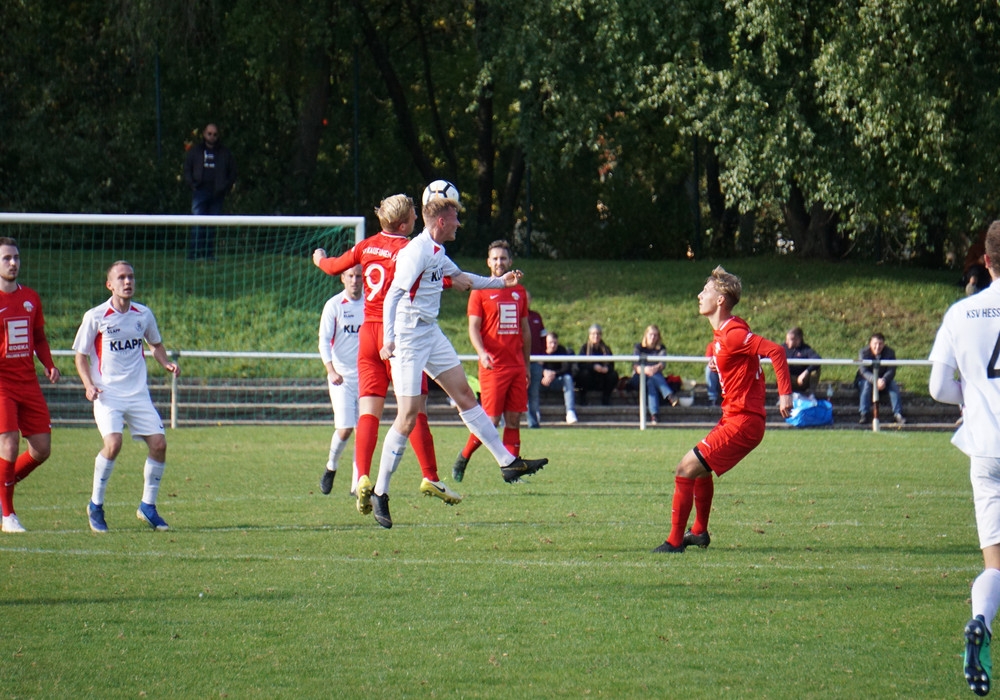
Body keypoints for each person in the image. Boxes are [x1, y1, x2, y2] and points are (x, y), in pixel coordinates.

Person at [375, 187, 547, 528]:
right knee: (407, 417)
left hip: (429, 332)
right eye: (455, 218)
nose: (459, 224)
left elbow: (463, 279)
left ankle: (507, 462)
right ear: (441, 221)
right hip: (407, 338)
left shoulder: (437, 250)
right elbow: (393, 295)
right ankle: (381, 491)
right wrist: (389, 340)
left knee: (466, 395)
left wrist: (500, 283)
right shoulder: (416, 253)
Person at [312, 194, 460, 516]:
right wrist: (455, 281)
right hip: (398, 334)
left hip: (367, 334)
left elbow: (334, 267)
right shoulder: (410, 249)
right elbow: (434, 280)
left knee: (369, 411)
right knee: (414, 408)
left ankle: (362, 476)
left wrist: (319, 259)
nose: (418, 220)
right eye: (414, 216)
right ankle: (430, 475)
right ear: (405, 224)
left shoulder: (366, 246)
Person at [653, 266, 792, 553]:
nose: (699, 295)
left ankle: (674, 542)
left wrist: (785, 395)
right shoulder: (726, 333)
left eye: (705, 291)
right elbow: (740, 357)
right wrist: (721, 363)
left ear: (719, 300)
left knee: (685, 468)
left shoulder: (733, 334)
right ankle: (699, 532)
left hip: (743, 421)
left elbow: (776, 351)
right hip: (734, 418)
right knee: (700, 470)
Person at [928, 219, 1000, 696]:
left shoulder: (962, 312)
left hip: (986, 448)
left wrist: (970, 400)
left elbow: (938, 387)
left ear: (986, 261)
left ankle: (981, 623)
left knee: (995, 564)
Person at [72, 261, 180, 532]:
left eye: (130, 276)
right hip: (107, 394)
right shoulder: (96, 316)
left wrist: (165, 362)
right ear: (109, 285)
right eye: (121, 277)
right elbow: (80, 356)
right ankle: (95, 505)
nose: (127, 281)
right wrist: (88, 385)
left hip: (138, 394)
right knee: (113, 443)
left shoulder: (143, 314)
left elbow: (155, 344)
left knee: (159, 444)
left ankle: (147, 506)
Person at [452, 240, 530, 482]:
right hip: (493, 366)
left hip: (516, 365)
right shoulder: (480, 291)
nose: (499, 262)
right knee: (491, 421)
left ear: (510, 261)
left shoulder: (520, 292)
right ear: (488, 262)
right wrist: (482, 352)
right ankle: (464, 456)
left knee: (514, 419)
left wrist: (526, 364)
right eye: (495, 258)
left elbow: (525, 330)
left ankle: (512, 473)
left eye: (503, 258)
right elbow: (473, 328)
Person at [0, 238, 60, 533]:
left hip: (28, 382)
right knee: (9, 444)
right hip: (2, 384)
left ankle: (2, 488)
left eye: (16, 257)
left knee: (41, 449)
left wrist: (49, 364)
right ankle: (8, 514)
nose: (13, 263)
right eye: (6, 258)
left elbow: (39, 338)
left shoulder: (31, 298)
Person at [317, 264, 364, 496]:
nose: (355, 280)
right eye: (350, 276)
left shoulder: (372, 304)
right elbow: (323, 341)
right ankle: (331, 466)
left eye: (358, 276)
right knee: (345, 429)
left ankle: (357, 485)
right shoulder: (334, 305)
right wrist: (331, 370)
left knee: (363, 432)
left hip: (366, 377)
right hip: (342, 378)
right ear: (342, 278)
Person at [183, 123, 237, 261]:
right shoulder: (195, 151)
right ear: (204, 134)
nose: (212, 136)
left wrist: (225, 187)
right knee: (197, 223)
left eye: (215, 134)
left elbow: (232, 172)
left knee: (211, 226)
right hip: (200, 191)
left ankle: (208, 255)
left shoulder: (224, 153)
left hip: (217, 193)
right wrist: (192, 184)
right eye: (209, 133)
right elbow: (187, 168)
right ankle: (194, 254)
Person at [626, 324, 678, 424]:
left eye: (655, 335)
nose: (653, 337)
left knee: (651, 382)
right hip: (639, 377)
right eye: (651, 335)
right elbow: (636, 366)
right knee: (653, 377)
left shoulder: (661, 348)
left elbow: (662, 364)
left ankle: (654, 415)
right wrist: (646, 370)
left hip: (653, 376)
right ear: (646, 335)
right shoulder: (638, 347)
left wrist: (653, 369)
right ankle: (669, 395)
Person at [855, 332, 905, 425]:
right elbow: (863, 371)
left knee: (893, 385)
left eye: (880, 344)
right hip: (866, 380)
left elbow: (891, 370)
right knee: (866, 385)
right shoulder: (863, 352)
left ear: (884, 344)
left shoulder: (890, 353)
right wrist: (876, 380)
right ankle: (864, 413)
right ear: (870, 343)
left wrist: (884, 380)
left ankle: (898, 414)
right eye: (875, 344)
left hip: (883, 381)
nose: (877, 347)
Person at [576, 324, 618, 406]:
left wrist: (606, 368)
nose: (596, 336)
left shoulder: (606, 348)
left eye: (598, 334)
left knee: (613, 375)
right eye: (593, 334)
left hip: (602, 378)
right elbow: (580, 364)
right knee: (584, 374)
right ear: (589, 335)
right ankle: (583, 397)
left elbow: (611, 365)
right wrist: (593, 367)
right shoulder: (584, 348)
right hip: (589, 378)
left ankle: (606, 398)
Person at [525, 292, 546, 429]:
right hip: (520, 362)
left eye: (528, 299)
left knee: (533, 393)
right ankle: (507, 423)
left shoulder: (536, 316)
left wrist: (542, 357)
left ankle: (533, 422)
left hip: (536, 361)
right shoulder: (515, 316)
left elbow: (543, 337)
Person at [783, 327, 822, 397]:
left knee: (815, 370)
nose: (786, 342)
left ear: (798, 340)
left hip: (802, 381)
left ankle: (811, 396)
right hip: (788, 380)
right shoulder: (783, 348)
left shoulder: (805, 349)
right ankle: (783, 396)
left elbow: (817, 359)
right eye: (786, 339)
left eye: (789, 340)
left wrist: (805, 372)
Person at [704, 341, 721, 407]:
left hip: (729, 377)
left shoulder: (733, 346)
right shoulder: (712, 345)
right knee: (709, 368)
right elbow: (709, 360)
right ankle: (712, 398)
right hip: (718, 378)